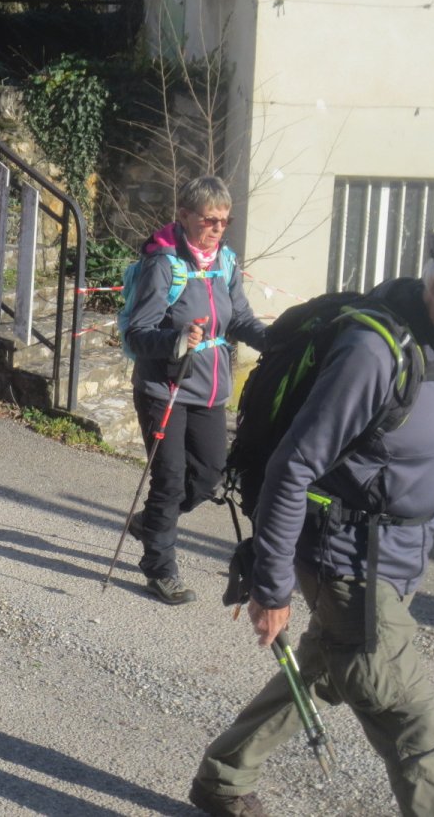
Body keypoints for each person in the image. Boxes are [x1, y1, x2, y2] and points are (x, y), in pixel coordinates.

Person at [190, 220, 434, 817]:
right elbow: (292, 467)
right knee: (410, 722)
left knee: (332, 667)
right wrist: (272, 586)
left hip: (404, 555)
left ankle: (222, 777)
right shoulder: (373, 353)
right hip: (348, 559)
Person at [123, 176, 267, 604]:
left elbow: (240, 318)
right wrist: (177, 339)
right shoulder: (163, 265)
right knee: (169, 479)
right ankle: (159, 568)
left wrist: (277, 342)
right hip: (164, 387)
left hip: (210, 390)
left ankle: (152, 522)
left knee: (207, 478)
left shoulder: (225, 263)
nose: (218, 228)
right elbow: (137, 333)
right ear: (184, 215)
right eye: (209, 220)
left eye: (225, 221)